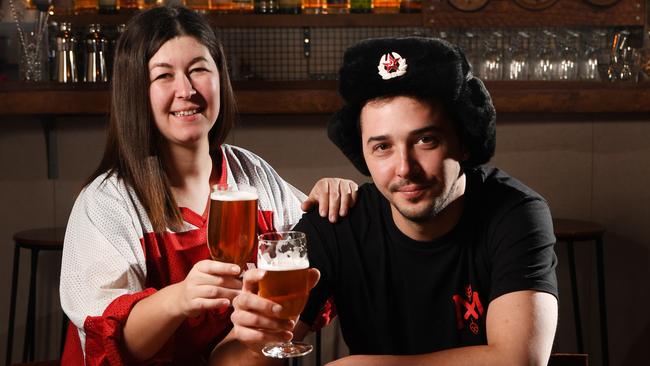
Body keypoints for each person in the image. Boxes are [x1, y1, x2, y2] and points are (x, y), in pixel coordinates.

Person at [221, 37, 559, 365]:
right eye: (382, 147)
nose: (404, 169)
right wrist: (254, 342)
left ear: (464, 142)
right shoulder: (338, 220)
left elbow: (519, 359)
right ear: (363, 155)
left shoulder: (515, 213)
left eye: (426, 140)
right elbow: (228, 359)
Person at [59, 5, 357, 365]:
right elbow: (117, 346)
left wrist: (332, 196)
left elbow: (314, 248)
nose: (186, 90)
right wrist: (180, 298)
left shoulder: (252, 175)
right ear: (136, 90)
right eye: (163, 76)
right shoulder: (107, 202)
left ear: (220, 77)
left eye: (199, 69)